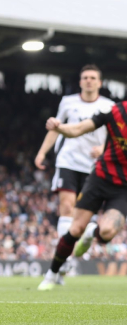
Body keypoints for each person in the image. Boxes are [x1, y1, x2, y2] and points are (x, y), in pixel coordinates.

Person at [34, 64, 113, 283]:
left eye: (92, 77)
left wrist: (103, 150)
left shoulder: (109, 106)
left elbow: (115, 136)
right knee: (66, 208)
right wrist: (42, 152)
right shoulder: (68, 102)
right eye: (85, 77)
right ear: (80, 81)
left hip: (94, 166)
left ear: (99, 82)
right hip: (68, 161)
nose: (88, 80)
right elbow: (56, 128)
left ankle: (73, 247)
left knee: (82, 216)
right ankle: (63, 263)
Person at [38, 100, 127, 290]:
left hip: (124, 188)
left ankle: (92, 232)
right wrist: (59, 127)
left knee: (107, 232)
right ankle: (52, 273)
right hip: (101, 178)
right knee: (75, 228)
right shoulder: (114, 111)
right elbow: (78, 128)